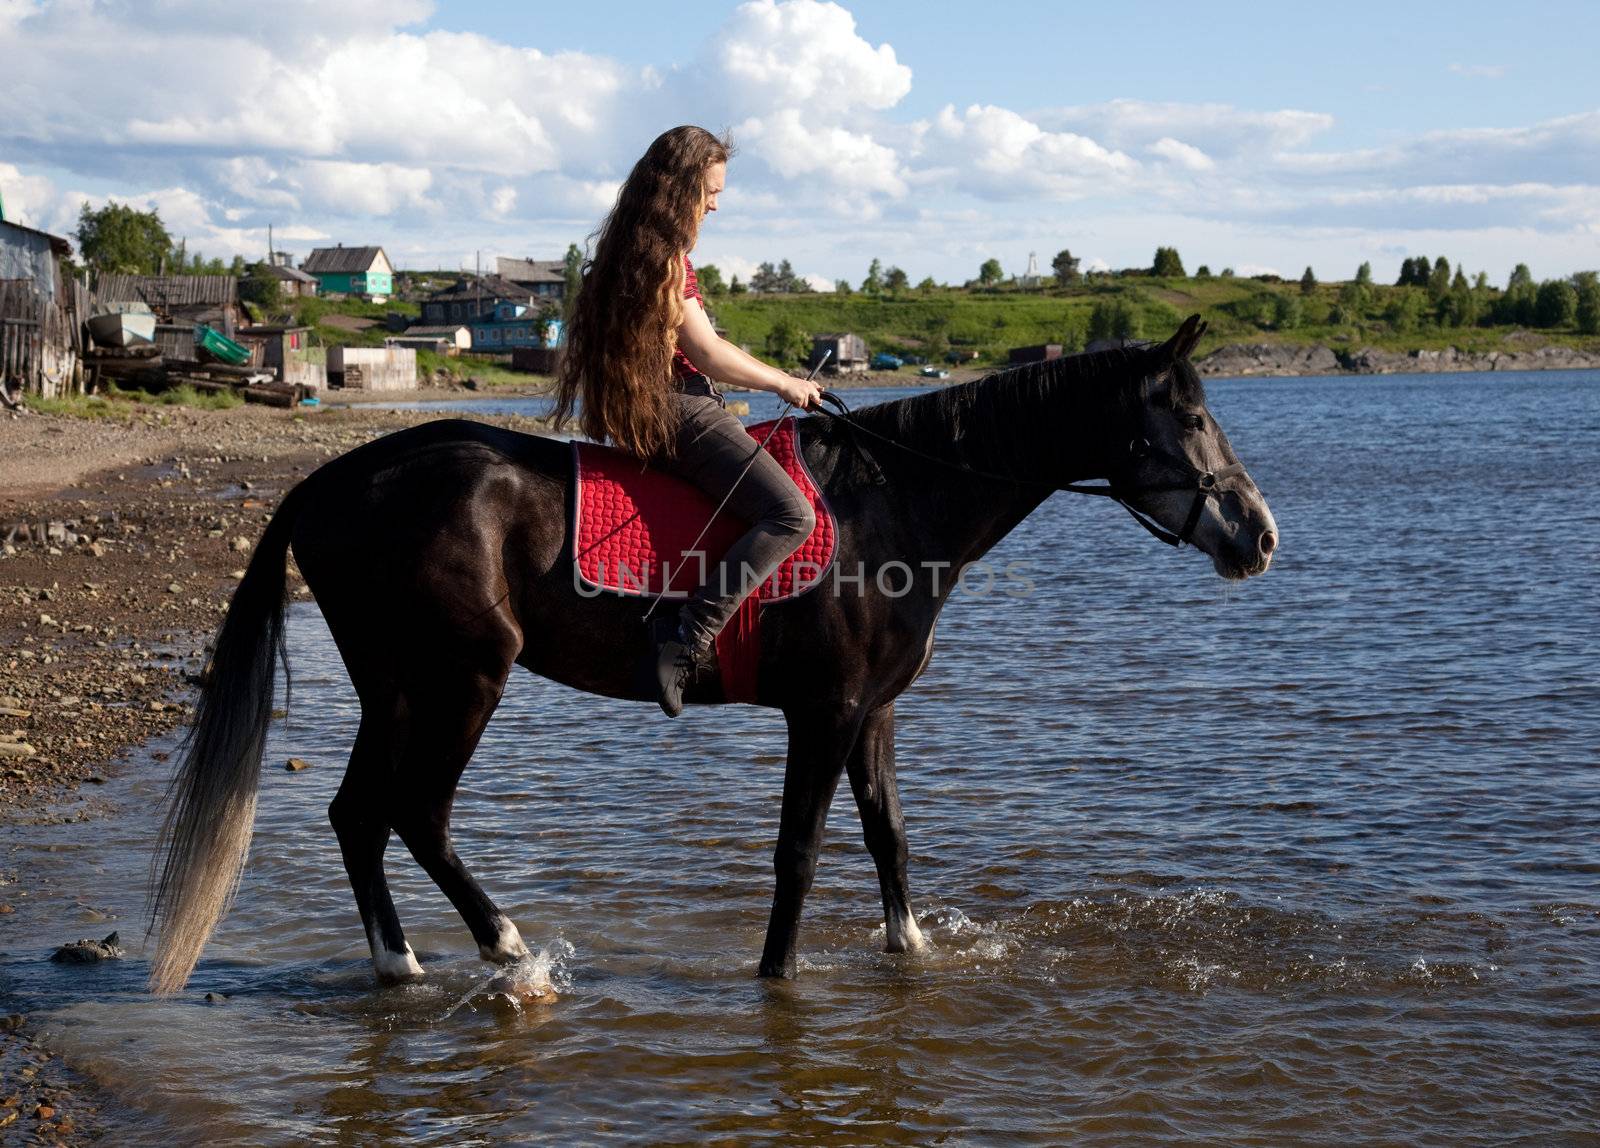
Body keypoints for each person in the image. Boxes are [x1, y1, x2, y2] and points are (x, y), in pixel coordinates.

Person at [554, 126, 822, 717]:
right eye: (710, 189)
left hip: (651, 409)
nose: (716, 203)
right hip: (681, 409)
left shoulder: (624, 253)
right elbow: (706, 354)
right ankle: (686, 636)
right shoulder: (670, 261)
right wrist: (786, 382)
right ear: (679, 188)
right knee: (790, 514)